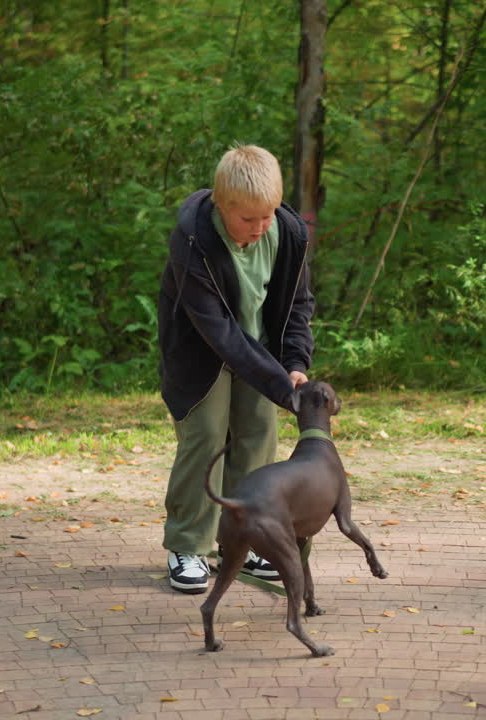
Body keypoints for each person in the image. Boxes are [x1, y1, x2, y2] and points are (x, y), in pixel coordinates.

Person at [156, 144, 316, 594]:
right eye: (248, 219)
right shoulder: (193, 240)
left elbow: (297, 305)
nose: (259, 227)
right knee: (206, 435)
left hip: (259, 350)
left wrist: (295, 364)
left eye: (266, 216)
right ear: (221, 206)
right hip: (200, 352)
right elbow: (220, 331)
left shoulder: (287, 232)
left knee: (258, 435)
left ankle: (243, 543)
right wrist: (280, 386)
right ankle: (188, 544)